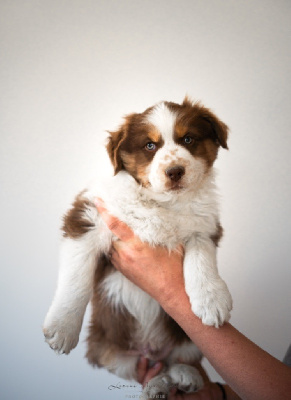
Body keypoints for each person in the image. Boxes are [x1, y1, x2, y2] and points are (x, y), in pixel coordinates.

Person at [95, 199, 291, 400]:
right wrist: (216, 394)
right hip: (130, 345)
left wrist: (171, 292)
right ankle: (164, 376)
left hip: (174, 339)